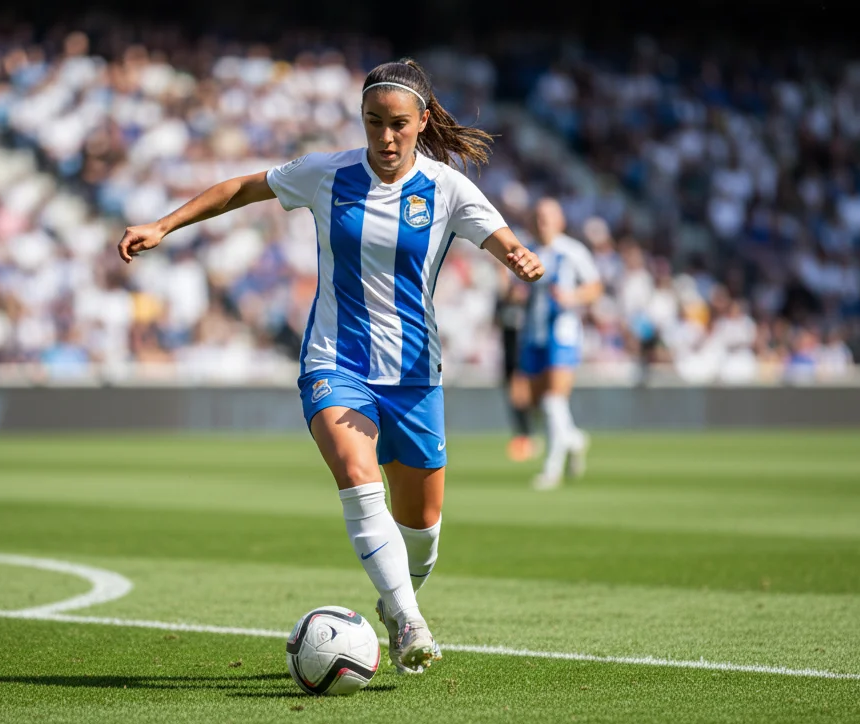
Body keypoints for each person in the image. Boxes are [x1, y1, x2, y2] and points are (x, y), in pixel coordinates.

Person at [117, 58, 543, 674]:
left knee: (421, 530)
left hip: (415, 375)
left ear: (423, 122)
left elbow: (500, 237)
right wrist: (164, 224)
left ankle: (399, 594)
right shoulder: (328, 174)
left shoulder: (446, 188)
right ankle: (408, 620)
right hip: (334, 360)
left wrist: (518, 258)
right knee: (354, 468)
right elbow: (243, 187)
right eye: (374, 123)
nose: (386, 137)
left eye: (399, 124)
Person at [514, 198, 601, 490]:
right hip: (533, 333)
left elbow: (594, 286)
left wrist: (572, 298)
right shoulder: (528, 249)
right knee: (541, 404)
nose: (542, 222)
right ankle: (574, 440)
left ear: (560, 220)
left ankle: (552, 469)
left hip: (562, 333)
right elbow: (514, 288)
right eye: (538, 216)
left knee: (554, 400)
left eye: (548, 217)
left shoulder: (572, 251)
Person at [495, 266, 535, 462]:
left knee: (522, 398)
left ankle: (527, 436)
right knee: (513, 399)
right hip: (508, 358)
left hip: (524, 357)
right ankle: (523, 436)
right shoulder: (502, 304)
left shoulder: (528, 306)